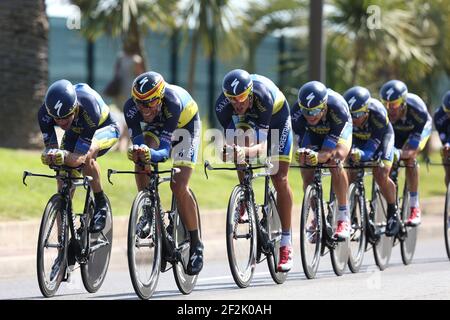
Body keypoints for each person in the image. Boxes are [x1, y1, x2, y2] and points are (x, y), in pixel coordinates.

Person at [124, 71, 203, 276]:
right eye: (139, 103)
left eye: (149, 103)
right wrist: (141, 153)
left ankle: (196, 244)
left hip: (186, 126)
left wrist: (151, 153)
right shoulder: (131, 109)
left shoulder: (173, 102)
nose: (143, 108)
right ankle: (148, 211)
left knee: (178, 185)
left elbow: (165, 152)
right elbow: (141, 147)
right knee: (141, 158)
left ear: (159, 98)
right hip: (158, 125)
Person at [215, 69, 294, 272]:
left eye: (241, 98)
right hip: (250, 119)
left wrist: (244, 150)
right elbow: (232, 141)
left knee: (279, 177)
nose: (238, 103)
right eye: (232, 99)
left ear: (249, 93)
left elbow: (262, 146)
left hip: (276, 119)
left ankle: (286, 242)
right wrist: (229, 151)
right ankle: (244, 197)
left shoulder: (263, 97)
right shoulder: (222, 106)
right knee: (237, 147)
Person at [38, 79, 120, 233]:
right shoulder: (45, 112)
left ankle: (100, 203)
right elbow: (52, 148)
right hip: (76, 129)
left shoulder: (88, 105)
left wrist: (64, 155)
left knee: (88, 154)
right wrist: (50, 155)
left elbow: (80, 157)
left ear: (74, 108)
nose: (61, 122)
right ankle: (63, 249)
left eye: (65, 117)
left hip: (103, 128)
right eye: (57, 119)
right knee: (62, 177)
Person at [291, 81, 353, 239]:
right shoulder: (297, 113)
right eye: (306, 111)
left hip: (338, 131)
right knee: (306, 166)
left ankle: (343, 216)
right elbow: (300, 142)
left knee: (335, 161)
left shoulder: (337, 109)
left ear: (324, 106)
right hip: (313, 134)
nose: (310, 115)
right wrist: (306, 155)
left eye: (316, 110)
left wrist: (319, 156)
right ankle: (317, 217)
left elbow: (328, 152)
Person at [343, 86, 399, 236]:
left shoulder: (378, 113)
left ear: (367, 111)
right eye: (351, 115)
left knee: (381, 174)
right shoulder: (344, 115)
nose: (354, 119)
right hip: (359, 139)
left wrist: (361, 154)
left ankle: (393, 213)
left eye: (359, 114)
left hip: (381, 138)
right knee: (350, 171)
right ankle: (353, 215)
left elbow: (372, 148)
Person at [380, 80, 432, 226]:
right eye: (386, 104)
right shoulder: (383, 112)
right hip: (396, 133)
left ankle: (414, 206)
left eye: (394, 104)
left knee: (410, 159)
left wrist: (402, 153)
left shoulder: (418, 111)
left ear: (403, 102)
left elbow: (412, 149)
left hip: (416, 130)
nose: (390, 109)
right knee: (386, 163)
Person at [433, 90, 450, 188]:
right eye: (448, 112)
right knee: (446, 156)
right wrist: (446, 146)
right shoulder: (438, 115)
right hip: (447, 138)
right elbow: (442, 135)